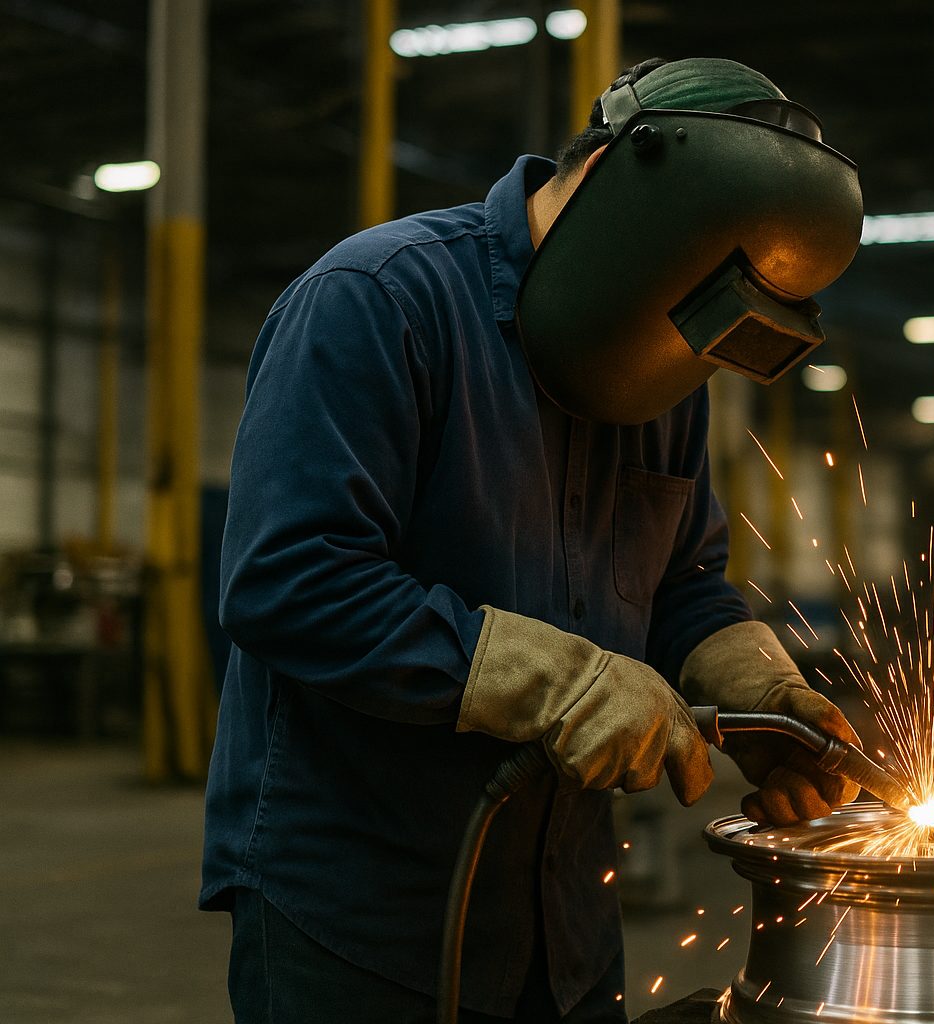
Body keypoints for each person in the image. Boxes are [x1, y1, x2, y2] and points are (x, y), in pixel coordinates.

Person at [200, 57, 865, 1023]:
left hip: (566, 925)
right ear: (614, 185)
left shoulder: (663, 367)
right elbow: (288, 580)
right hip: (363, 917)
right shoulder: (379, 300)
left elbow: (680, 579)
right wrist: (563, 682)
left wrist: (758, 689)